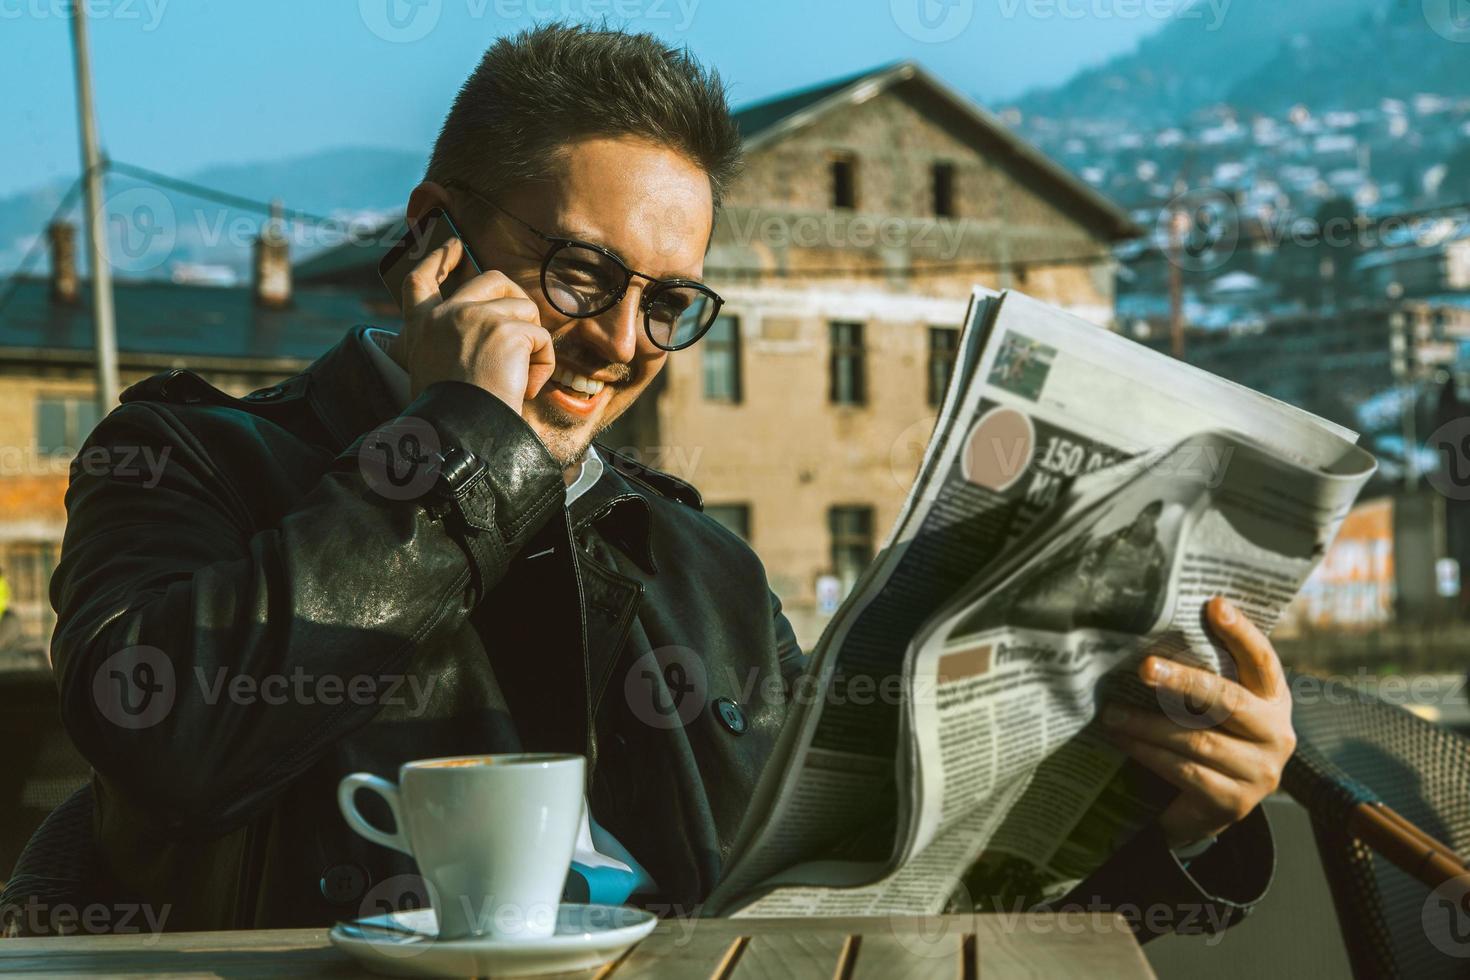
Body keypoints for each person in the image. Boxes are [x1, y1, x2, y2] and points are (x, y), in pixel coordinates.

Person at [47, 24, 1294, 939]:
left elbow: (874, 886)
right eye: (581, 274)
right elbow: (171, 742)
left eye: (671, 302)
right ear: (433, 236)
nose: (624, 341)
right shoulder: (192, 458)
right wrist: (467, 436)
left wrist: (1180, 820)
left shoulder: (707, 567)